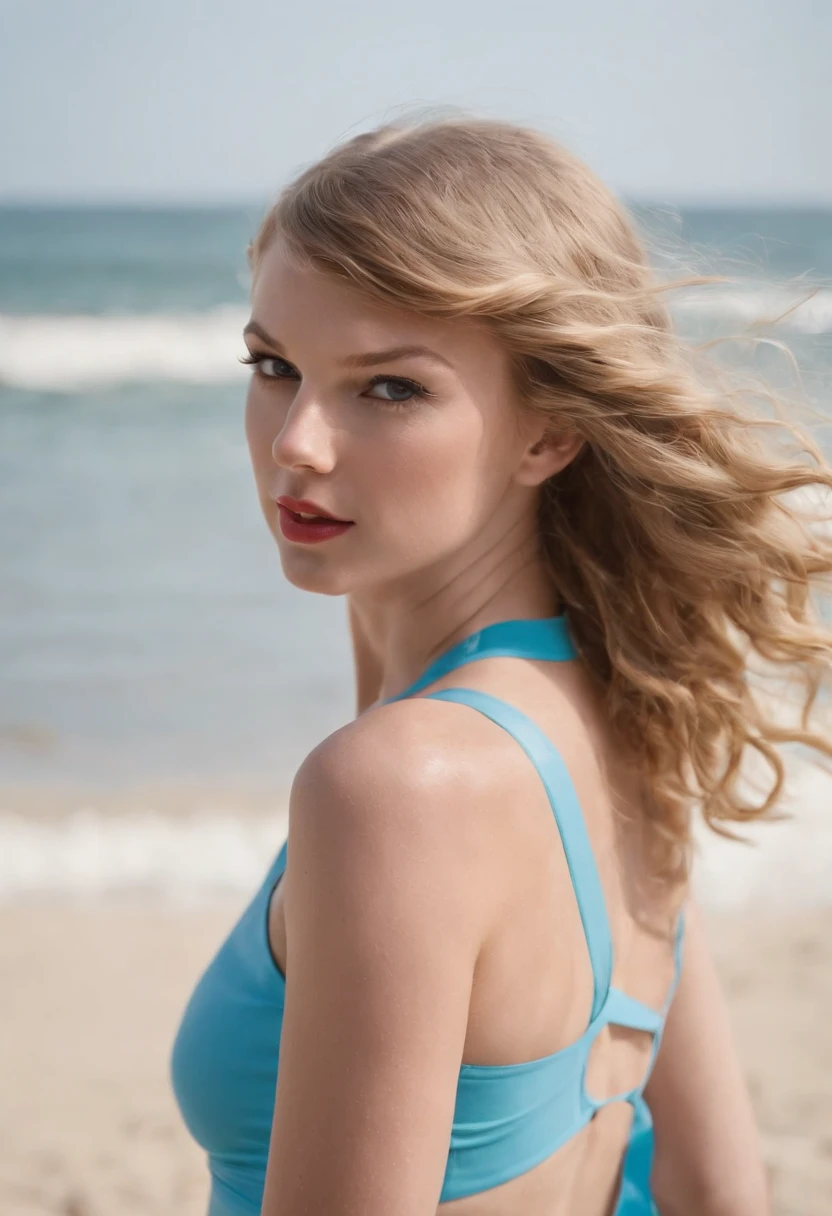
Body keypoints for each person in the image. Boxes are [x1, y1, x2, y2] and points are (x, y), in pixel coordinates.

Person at [170, 113, 832, 1216]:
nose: (296, 441)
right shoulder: (625, 704)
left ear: (547, 432)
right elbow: (719, 1190)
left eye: (389, 387)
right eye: (275, 365)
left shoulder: (400, 785)